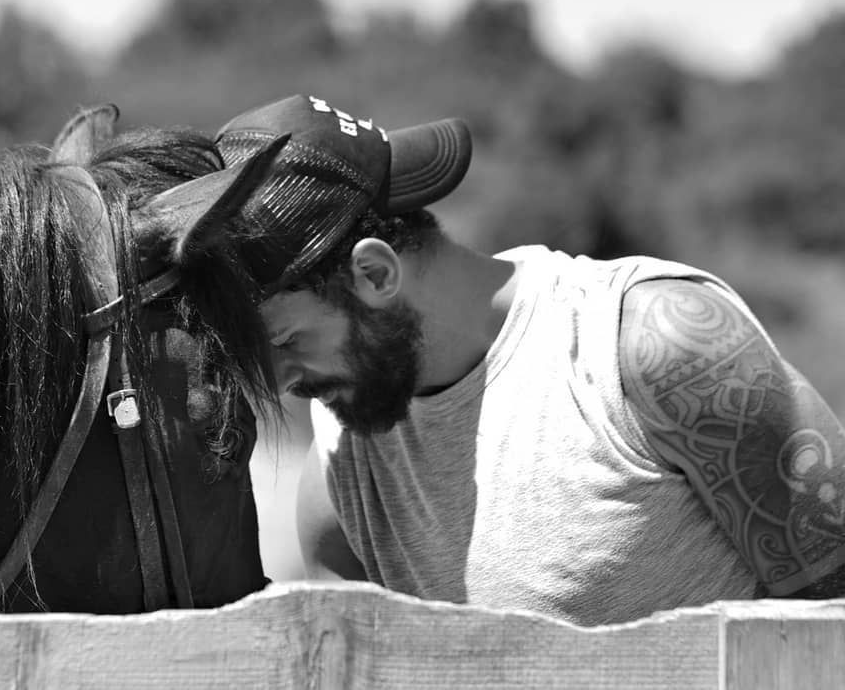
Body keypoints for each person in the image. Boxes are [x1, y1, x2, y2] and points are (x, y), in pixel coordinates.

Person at [211, 94, 845, 626]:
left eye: (288, 340)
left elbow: (833, 614)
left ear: (375, 273)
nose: (284, 385)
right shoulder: (338, 474)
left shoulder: (654, 347)